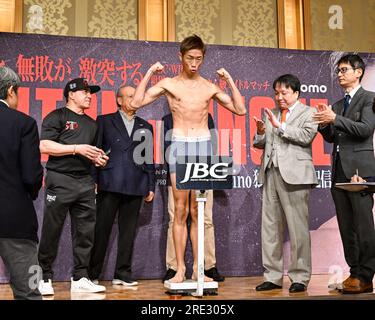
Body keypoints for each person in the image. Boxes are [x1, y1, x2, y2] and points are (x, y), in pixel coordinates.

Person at [130, 34, 246, 283]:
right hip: (179, 147)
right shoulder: (170, 84)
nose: (194, 63)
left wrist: (230, 81)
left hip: (203, 148)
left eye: (199, 59)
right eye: (190, 58)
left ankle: (199, 270)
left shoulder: (209, 86)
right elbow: (136, 101)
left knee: (198, 209)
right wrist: (151, 71)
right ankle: (180, 269)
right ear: (180, 57)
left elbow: (240, 109)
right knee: (180, 211)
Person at [37, 78, 108, 295]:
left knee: (85, 233)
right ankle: (43, 277)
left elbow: (92, 152)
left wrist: (98, 159)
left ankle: (80, 277)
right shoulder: (57, 116)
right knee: (51, 230)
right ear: (71, 94)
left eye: (91, 93)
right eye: (85, 92)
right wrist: (76, 148)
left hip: (85, 182)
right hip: (60, 180)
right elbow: (44, 145)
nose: (89, 96)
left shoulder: (92, 124)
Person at [314, 54, 375, 294]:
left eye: (345, 70)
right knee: (346, 224)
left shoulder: (369, 99)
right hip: (339, 169)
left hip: (360, 171)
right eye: (338, 71)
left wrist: (335, 119)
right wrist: (323, 124)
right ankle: (354, 272)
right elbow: (332, 137)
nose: (340, 74)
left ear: (358, 72)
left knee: (363, 225)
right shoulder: (338, 104)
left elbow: (365, 130)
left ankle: (366, 274)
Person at [253, 74, 318, 293]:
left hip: (296, 175)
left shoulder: (309, 113)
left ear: (296, 93)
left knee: (298, 228)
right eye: (276, 93)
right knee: (270, 228)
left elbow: (306, 136)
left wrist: (279, 125)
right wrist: (261, 132)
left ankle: (300, 276)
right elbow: (262, 143)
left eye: (284, 92)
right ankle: (272, 276)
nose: (279, 97)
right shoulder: (271, 113)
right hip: (271, 173)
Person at [89, 86, 155, 286]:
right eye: (130, 96)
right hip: (109, 182)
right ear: (119, 100)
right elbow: (95, 152)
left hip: (136, 184)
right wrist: (94, 180)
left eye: (137, 96)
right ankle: (92, 274)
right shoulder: (104, 120)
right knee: (101, 230)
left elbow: (148, 158)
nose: (135, 99)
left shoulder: (146, 126)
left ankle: (122, 273)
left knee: (128, 232)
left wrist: (150, 184)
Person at [162, 113, 225, 282]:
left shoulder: (205, 115)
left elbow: (213, 144)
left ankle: (206, 267)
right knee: (176, 217)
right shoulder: (169, 118)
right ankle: (175, 268)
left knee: (204, 219)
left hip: (202, 170)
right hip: (177, 172)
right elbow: (167, 149)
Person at [0, 66, 43, 300]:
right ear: (10, 91)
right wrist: (30, 192)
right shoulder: (23, 123)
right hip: (14, 217)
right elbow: (31, 176)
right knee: (28, 292)